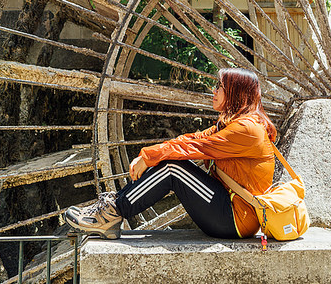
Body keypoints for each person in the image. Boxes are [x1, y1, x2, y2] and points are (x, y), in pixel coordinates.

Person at [64, 67, 277, 239]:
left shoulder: (246, 130)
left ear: (235, 93)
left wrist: (149, 157)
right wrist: (151, 154)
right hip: (227, 209)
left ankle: (111, 214)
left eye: (219, 87)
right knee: (170, 160)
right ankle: (113, 208)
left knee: (173, 169)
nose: (214, 91)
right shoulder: (233, 124)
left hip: (234, 219)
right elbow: (193, 139)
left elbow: (192, 149)